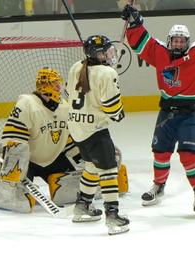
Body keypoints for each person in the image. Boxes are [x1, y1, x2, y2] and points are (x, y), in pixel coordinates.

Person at [0, 67, 129, 213]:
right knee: (22, 201)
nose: (59, 88)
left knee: (65, 192)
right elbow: (13, 139)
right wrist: (14, 172)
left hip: (54, 159)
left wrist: (90, 157)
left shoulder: (66, 107)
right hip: (28, 161)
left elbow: (72, 139)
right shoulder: (27, 104)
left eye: (59, 84)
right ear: (44, 86)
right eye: (55, 84)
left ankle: (107, 179)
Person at [121, 0, 195, 217]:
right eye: (174, 40)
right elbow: (142, 42)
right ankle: (158, 186)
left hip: (192, 113)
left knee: (188, 155)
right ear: (169, 41)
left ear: (187, 42)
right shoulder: (161, 54)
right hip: (167, 112)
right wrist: (134, 22)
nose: (177, 44)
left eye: (181, 41)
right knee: (160, 153)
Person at [65, 35, 129, 235]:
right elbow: (112, 107)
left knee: (92, 166)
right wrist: (119, 115)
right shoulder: (107, 73)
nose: (110, 53)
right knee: (109, 170)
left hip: (76, 129)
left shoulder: (77, 66)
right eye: (106, 51)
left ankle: (82, 207)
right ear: (98, 54)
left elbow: (69, 95)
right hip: (95, 130)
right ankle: (112, 216)